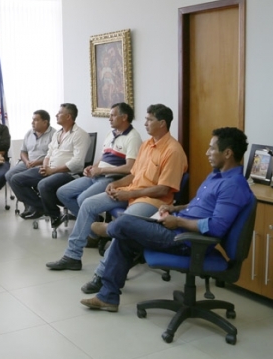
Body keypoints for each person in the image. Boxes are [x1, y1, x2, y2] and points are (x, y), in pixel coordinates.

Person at [80, 127, 252, 312]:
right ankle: (108, 297)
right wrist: (175, 208)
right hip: (177, 227)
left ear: (227, 153)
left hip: (187, 241)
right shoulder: (216, 176)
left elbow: (216, 227)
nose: (207, 152)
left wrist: (178, 222)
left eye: (212, 149)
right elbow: (199, 207)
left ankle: (110, 229)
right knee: (126, 235)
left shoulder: (232, 186)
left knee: (125, 222)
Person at [46, 104, 187, 277]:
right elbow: (133, 175)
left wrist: (129, 193)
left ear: (162, 123)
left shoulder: (173, 150)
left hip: (152, 200)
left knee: (124, 221)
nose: (145, 123)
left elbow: (163, 189)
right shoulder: (147, 145)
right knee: (88, 203)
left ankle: (103, 273)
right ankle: (72, 256)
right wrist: (117, 184)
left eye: (149, 120)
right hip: (131, 191)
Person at [55, 102, 142, 224]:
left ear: (124, 117)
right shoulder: (110, 134)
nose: (109, 119)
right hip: (97, 174)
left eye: (113, 116)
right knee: (62, 192)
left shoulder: (133, 137)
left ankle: (92, 231)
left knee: (82, 199)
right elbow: (103, 158)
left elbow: (130, 168)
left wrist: (102, 170)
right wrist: (93, 167)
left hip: (111, 179)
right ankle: (94, 225)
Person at [9, 103, 90, 226]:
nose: (56, 115)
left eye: (59, 113)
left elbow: (77, 163)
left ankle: (54, 215)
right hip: (49, 169)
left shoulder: (80, 135)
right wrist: (45, 166)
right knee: (15, 179)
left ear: (68, 116)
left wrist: (53, 171)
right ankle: (41, 207)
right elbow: (49, 154)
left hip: (67, 173)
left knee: (43, 184)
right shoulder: (58, 134)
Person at [5, 110, 56, 218]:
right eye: (32, 120)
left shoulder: (54, 135)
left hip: (43, 165)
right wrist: (27, 161)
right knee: (9, 175)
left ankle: (36, 207)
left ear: (45, 122)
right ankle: (31, 205)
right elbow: (23, 152)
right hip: (27, 163)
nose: (32, 122)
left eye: (36, 120)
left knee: (16, 179)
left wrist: (37, 162)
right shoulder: (29, 133)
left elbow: (54, 156)